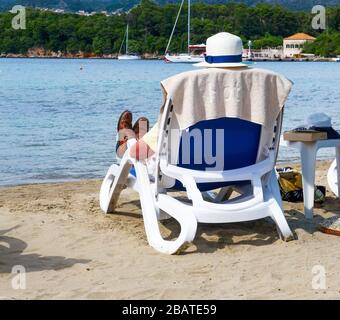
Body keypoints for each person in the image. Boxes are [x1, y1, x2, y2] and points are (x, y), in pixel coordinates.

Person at [115, 32, 249, 161]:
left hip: (179, 175)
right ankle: (140, 136)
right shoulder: (256, 103)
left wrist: (132, 143)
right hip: (245, 172)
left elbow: (138, 153)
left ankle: (126, 137)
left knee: (135, 149)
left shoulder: (188, 100)